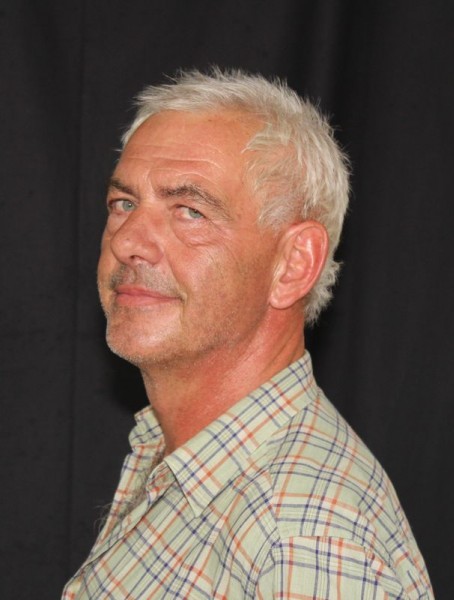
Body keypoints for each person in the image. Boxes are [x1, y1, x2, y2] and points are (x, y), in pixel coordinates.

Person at [62, 69, 433, 599]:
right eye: (124, 203)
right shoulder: (186, 455)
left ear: (293, 264)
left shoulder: (302, 538)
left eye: (190, 211)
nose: (128, 242)